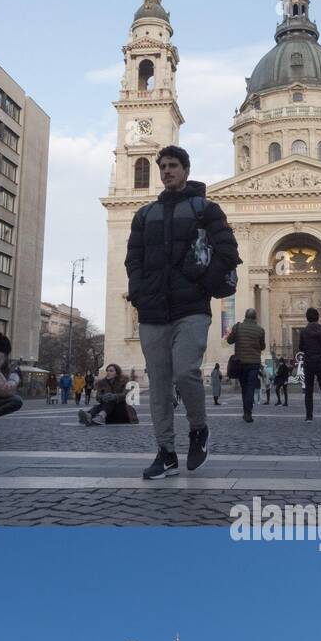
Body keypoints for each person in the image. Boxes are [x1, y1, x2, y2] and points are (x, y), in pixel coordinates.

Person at [125, 144, 240, 480]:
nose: (166, 171)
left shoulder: (206, 209)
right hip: (153, 310)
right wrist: (138, 291)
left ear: (186, 170)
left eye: (172, 166)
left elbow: (228, 252)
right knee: (159, 385)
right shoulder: (144, 215)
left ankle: (198, 429)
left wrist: (201, 280)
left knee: (186, 372)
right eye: (162, 167)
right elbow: (133, 259)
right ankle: (165, 452)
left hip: (191, 307)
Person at [226, 307, 266, 422]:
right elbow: (262, 346)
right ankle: (248, 412)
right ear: (255, 317)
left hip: (241, 362)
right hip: (254, 363)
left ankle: (246, 412)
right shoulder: (260, 330)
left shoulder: (237, 327)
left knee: (244, 388)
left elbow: (229, 341)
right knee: (250, 388)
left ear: (245, 316)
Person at [297, 308, 321, 424]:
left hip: (309, 362)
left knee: (308, 390)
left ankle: (309, 416)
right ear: (318, 317)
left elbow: (301, 348)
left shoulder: (304, 331)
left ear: (307, 318)